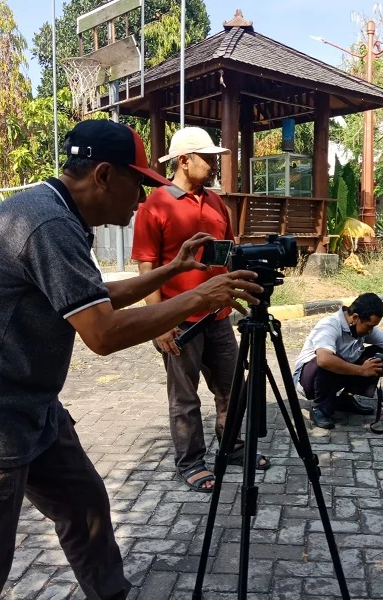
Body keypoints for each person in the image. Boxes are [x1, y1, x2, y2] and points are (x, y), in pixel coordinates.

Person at [0, 120, 263, 600]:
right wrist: (196, 299)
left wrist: (173, 271)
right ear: (104, 175)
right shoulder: (48, 223)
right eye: (139, 184)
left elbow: (90, 298)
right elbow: (102, 333)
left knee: (84, 507)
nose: (143, 198)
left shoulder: (54, 213)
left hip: (30, 410)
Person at [132, 127, 270, 494]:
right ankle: (191, 461)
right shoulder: (155, 205)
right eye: (207, 158)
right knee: (185, 397)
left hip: (220, 317)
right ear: (183, 160)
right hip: (178, 322)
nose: (213, 164)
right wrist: (158, 324)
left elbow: (228, 253)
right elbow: (146, 270)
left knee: (231, 388)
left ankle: (232, 446)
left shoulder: (215, 201)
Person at [293, 293, 383, 430]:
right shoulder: (329, 325)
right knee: (329, 360)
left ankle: (345, 399)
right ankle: (320, 409)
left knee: (378, 354)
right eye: (369, 326)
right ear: (355, 317)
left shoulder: (362, 326)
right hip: (308, 381)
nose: (370, 331)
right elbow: (324, 360)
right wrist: (363, 370)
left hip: (335, 375)